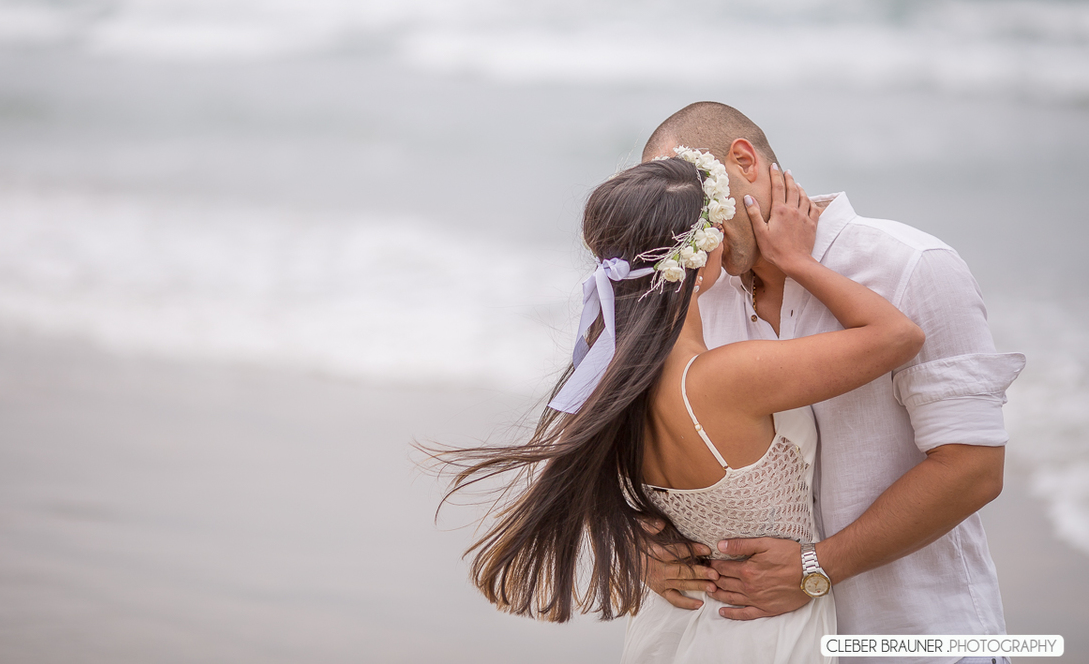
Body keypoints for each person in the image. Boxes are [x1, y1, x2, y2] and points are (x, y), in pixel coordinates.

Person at [435, 146, 925, 663]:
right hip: (762, 628)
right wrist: (797, 262)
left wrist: (640, 546)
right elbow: (898, 336)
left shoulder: (605, 384)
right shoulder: (726, 378)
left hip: (679, 623)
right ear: (707, 251)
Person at [639, 102, 1025, 664]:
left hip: (916, 635)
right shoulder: (694, 291)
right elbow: (648, 447)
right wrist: (642, 544)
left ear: (743, 160)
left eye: (690, 199)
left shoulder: (911, 266)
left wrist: (817, 566)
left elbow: (973, 468)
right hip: (756, 644)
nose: (681, 228)